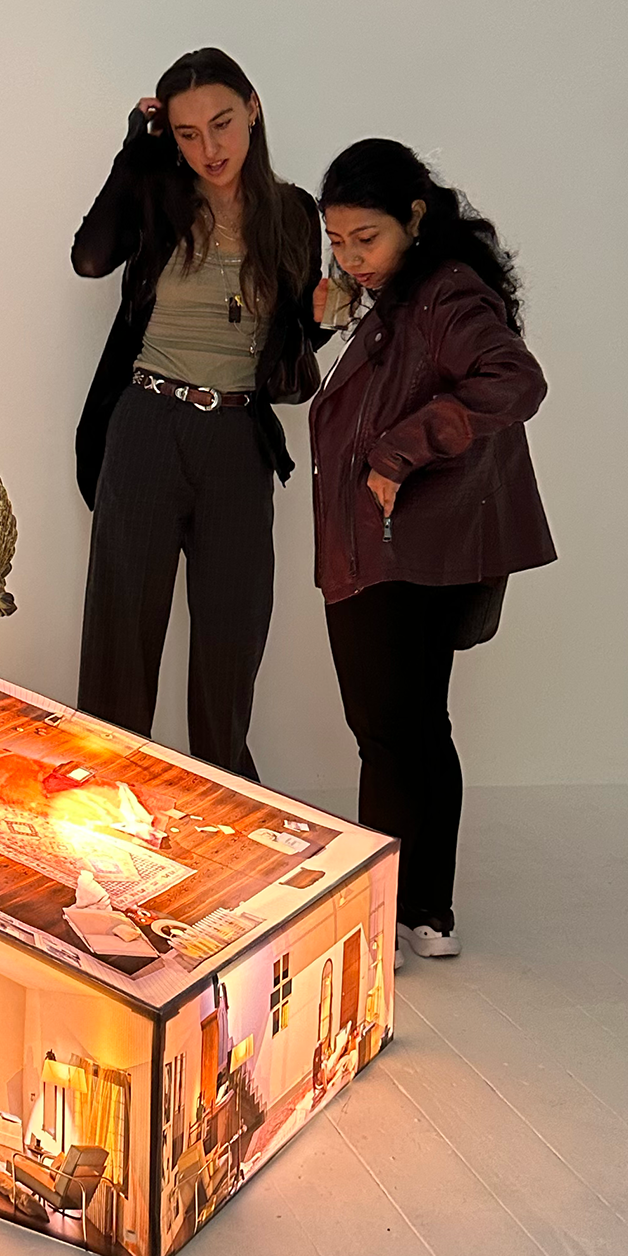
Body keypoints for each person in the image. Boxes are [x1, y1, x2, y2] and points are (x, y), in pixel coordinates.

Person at [309, 138, 556, 960]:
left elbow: (514, 379)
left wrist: (399, 450)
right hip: (405, 545)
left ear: (414, 218)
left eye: (366, 239)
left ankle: (383, 921)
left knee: (386, 734)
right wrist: (343, 309)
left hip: (398, 548)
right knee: (415, 727)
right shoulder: (397, 296)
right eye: (338, 241)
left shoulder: (444, 295)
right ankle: (426, 913)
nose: (352, 257)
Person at [71, 47, 324, 780]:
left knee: (230, 643)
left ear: (253, 109)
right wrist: (134, 151)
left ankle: (226, 806)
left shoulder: (293, 213)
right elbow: (90, 259)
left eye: (221, 123)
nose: (209, 148)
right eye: (187, 133)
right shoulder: (158, 193)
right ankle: (104, 801)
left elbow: (295, 342)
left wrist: (325, 320)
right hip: (147, 424)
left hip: (238, 438)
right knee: (121, 638)